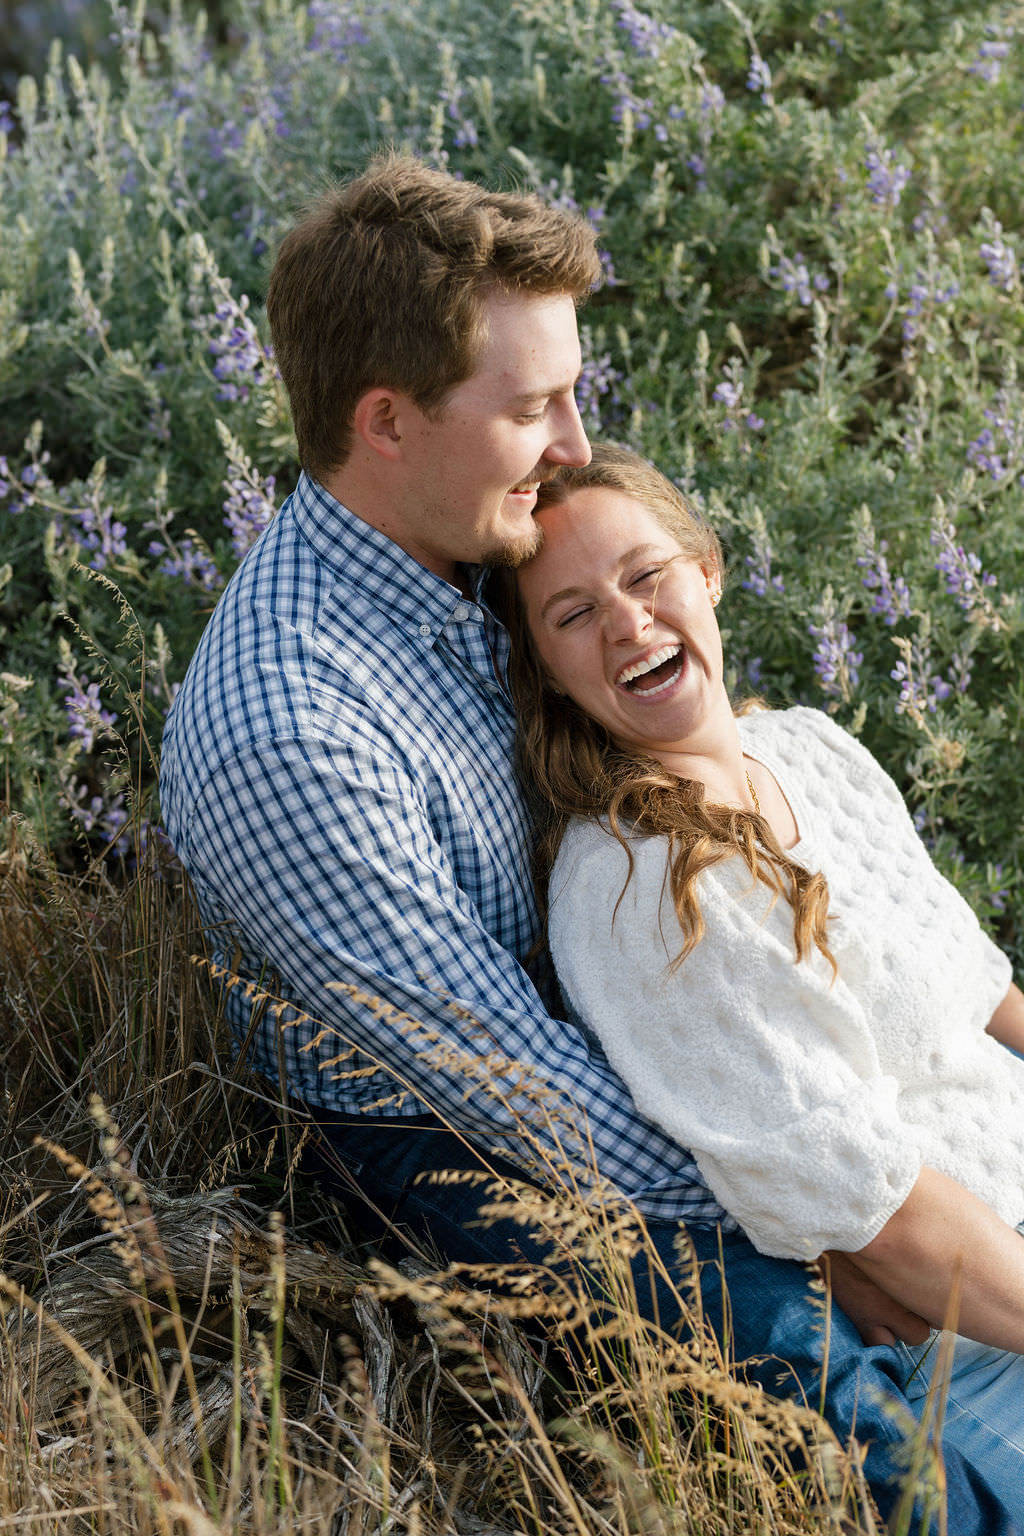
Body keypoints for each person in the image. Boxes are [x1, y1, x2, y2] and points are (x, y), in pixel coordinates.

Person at [158, 152, 1019, 1532]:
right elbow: (507, 1088)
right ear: (385, 421)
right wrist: (821, 1202)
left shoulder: (469, 544)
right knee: (887, 1444)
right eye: (531, 407)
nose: (571, 442)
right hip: (466, 1140)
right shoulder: (293, 727)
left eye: (572, 392)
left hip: (660, 1022)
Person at [509, 440, 1024, 1519]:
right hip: (974, 1335)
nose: (627, 623)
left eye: (646, 575)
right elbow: (873, 1211)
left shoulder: (809, 747)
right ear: (547, 668)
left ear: (706, 571)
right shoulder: (638, 885)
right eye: (574, 613)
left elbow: (984, 996)